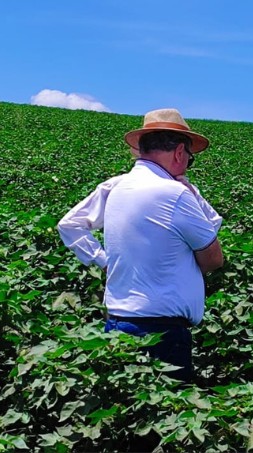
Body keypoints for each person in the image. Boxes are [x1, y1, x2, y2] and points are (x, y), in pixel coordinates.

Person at [58, 108, 224, 382]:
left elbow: (70, 224)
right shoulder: (176, 194)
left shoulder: (115, 186)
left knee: (126, 408)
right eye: (190, 160)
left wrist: (103, 261)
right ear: (180, 153)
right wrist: (190, 193)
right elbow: (213, 259)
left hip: (117, 321)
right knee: (168, 414)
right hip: (162, 332)